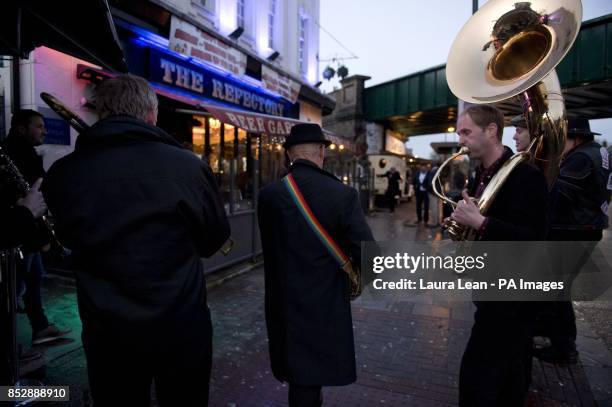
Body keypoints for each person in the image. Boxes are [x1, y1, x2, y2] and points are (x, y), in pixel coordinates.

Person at [42, 74, 230, 406]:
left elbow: (65, 241)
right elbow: (213, 238)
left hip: (107, 330)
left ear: (101, 113)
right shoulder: (187, 167)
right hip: (181, 324)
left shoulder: (64, 172)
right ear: (150, 115)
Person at [258, 123, 375, 407]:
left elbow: (271, 252)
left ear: (288, 155)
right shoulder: (343, 195)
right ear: (322, 152)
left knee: (299, 376)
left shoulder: (269, 195)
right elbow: (370, 256)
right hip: (325, 302)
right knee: (312, 377)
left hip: (284, 300)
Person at [450, 105, 548, 406]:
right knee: (511, 376)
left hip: (513, 296)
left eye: (466, 132)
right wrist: (464, 223)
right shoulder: (482, 172)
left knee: (476, 379)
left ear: (491, 130)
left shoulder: (525, 174)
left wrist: (479, 222)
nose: (460, 139)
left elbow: (535, 240)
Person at [535, 118, 611, 364]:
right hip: (587, 227)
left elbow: (562, 196)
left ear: (576, 138)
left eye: (562, 140)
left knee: (557, 289)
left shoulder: (580, 158)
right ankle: (553, 334)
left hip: (573, 229)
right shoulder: (598, 151)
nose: (558, 145)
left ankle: (565, 348)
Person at [2, 109, 70, 345]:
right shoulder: (16, 154)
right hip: (22, 235)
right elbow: (31, 197)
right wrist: (41, 237)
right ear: (22, 129)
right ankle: (13, 349)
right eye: (39, 126)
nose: (44, 130)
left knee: (31, 281)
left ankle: (39, 328)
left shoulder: (22, 152)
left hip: (26, 232)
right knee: (16, 289)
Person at [425, 163, 441, 227]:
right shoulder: (438, 171)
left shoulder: (432, 172)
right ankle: (437, 222)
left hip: (433, 193)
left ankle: (434, 223)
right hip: (437, 192)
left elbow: (430, 183)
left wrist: (429, 189)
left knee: (433, 208)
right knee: (436, 208)